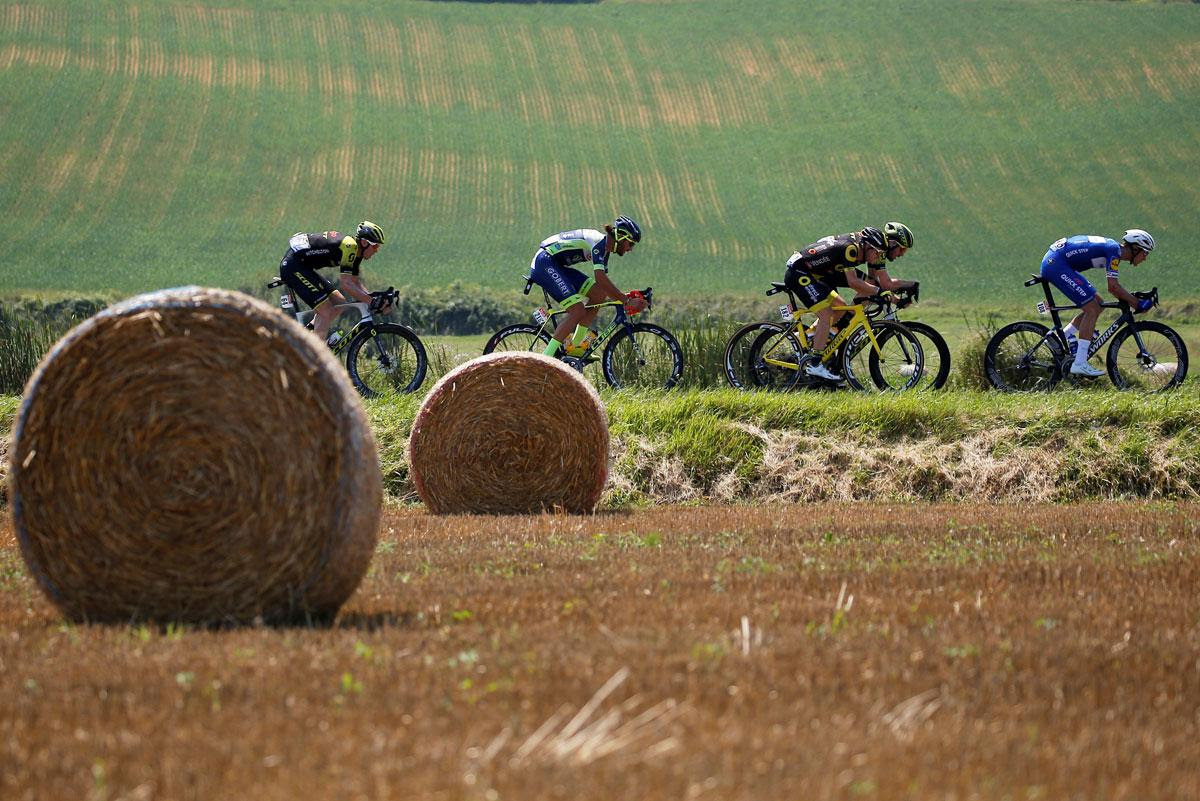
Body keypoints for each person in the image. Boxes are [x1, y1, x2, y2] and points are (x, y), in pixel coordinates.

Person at [1039, 229, 1156, 378]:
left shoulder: (1114, 250)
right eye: (1145, 253)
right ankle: (1080, 363)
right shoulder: (1114, 251)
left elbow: (1114, 287)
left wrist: (1133, 300)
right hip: (1056, 264)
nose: (1145, 258)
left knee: (1098, 303)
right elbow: (1113, 287)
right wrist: (1137, 303)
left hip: (1059, 262)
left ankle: (1059, 339)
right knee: (1092, 309)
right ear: (1135, 248)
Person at [527, 215, 647, 358]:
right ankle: (545, 359)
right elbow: (600, 278)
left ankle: (575, 346)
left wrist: (625, 297)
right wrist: (626, 301)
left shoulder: (605, 250)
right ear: (621, 237)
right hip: (544, 262)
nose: (630, 249)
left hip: (556, 265)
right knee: (577, 311)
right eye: (631, 244)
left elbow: (604, 286)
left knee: (598, 294)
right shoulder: (598, 244)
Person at [784, 226, 890, 382]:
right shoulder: (850, 249)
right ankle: (815, 364)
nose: (878, 256)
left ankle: (808, 337)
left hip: (814, 274)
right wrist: (879, 291)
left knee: (840, 307)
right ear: (867, 246)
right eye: (877, 252)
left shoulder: (858, 247)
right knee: (826, 315)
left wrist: (876, 290)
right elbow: (853, 282)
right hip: (799, 273)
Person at [279, 221, 390, 343]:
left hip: (303, 266)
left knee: (339, 302)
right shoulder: (350, 247)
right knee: (325, 311)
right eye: (375, 246)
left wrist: (372, 298)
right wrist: (371, 301)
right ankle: (315, 352)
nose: (376, 250)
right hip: (293, 266)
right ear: (364, 242)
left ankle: (307, 337)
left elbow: (354, 282)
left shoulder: (357, 253)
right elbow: (346, 284)